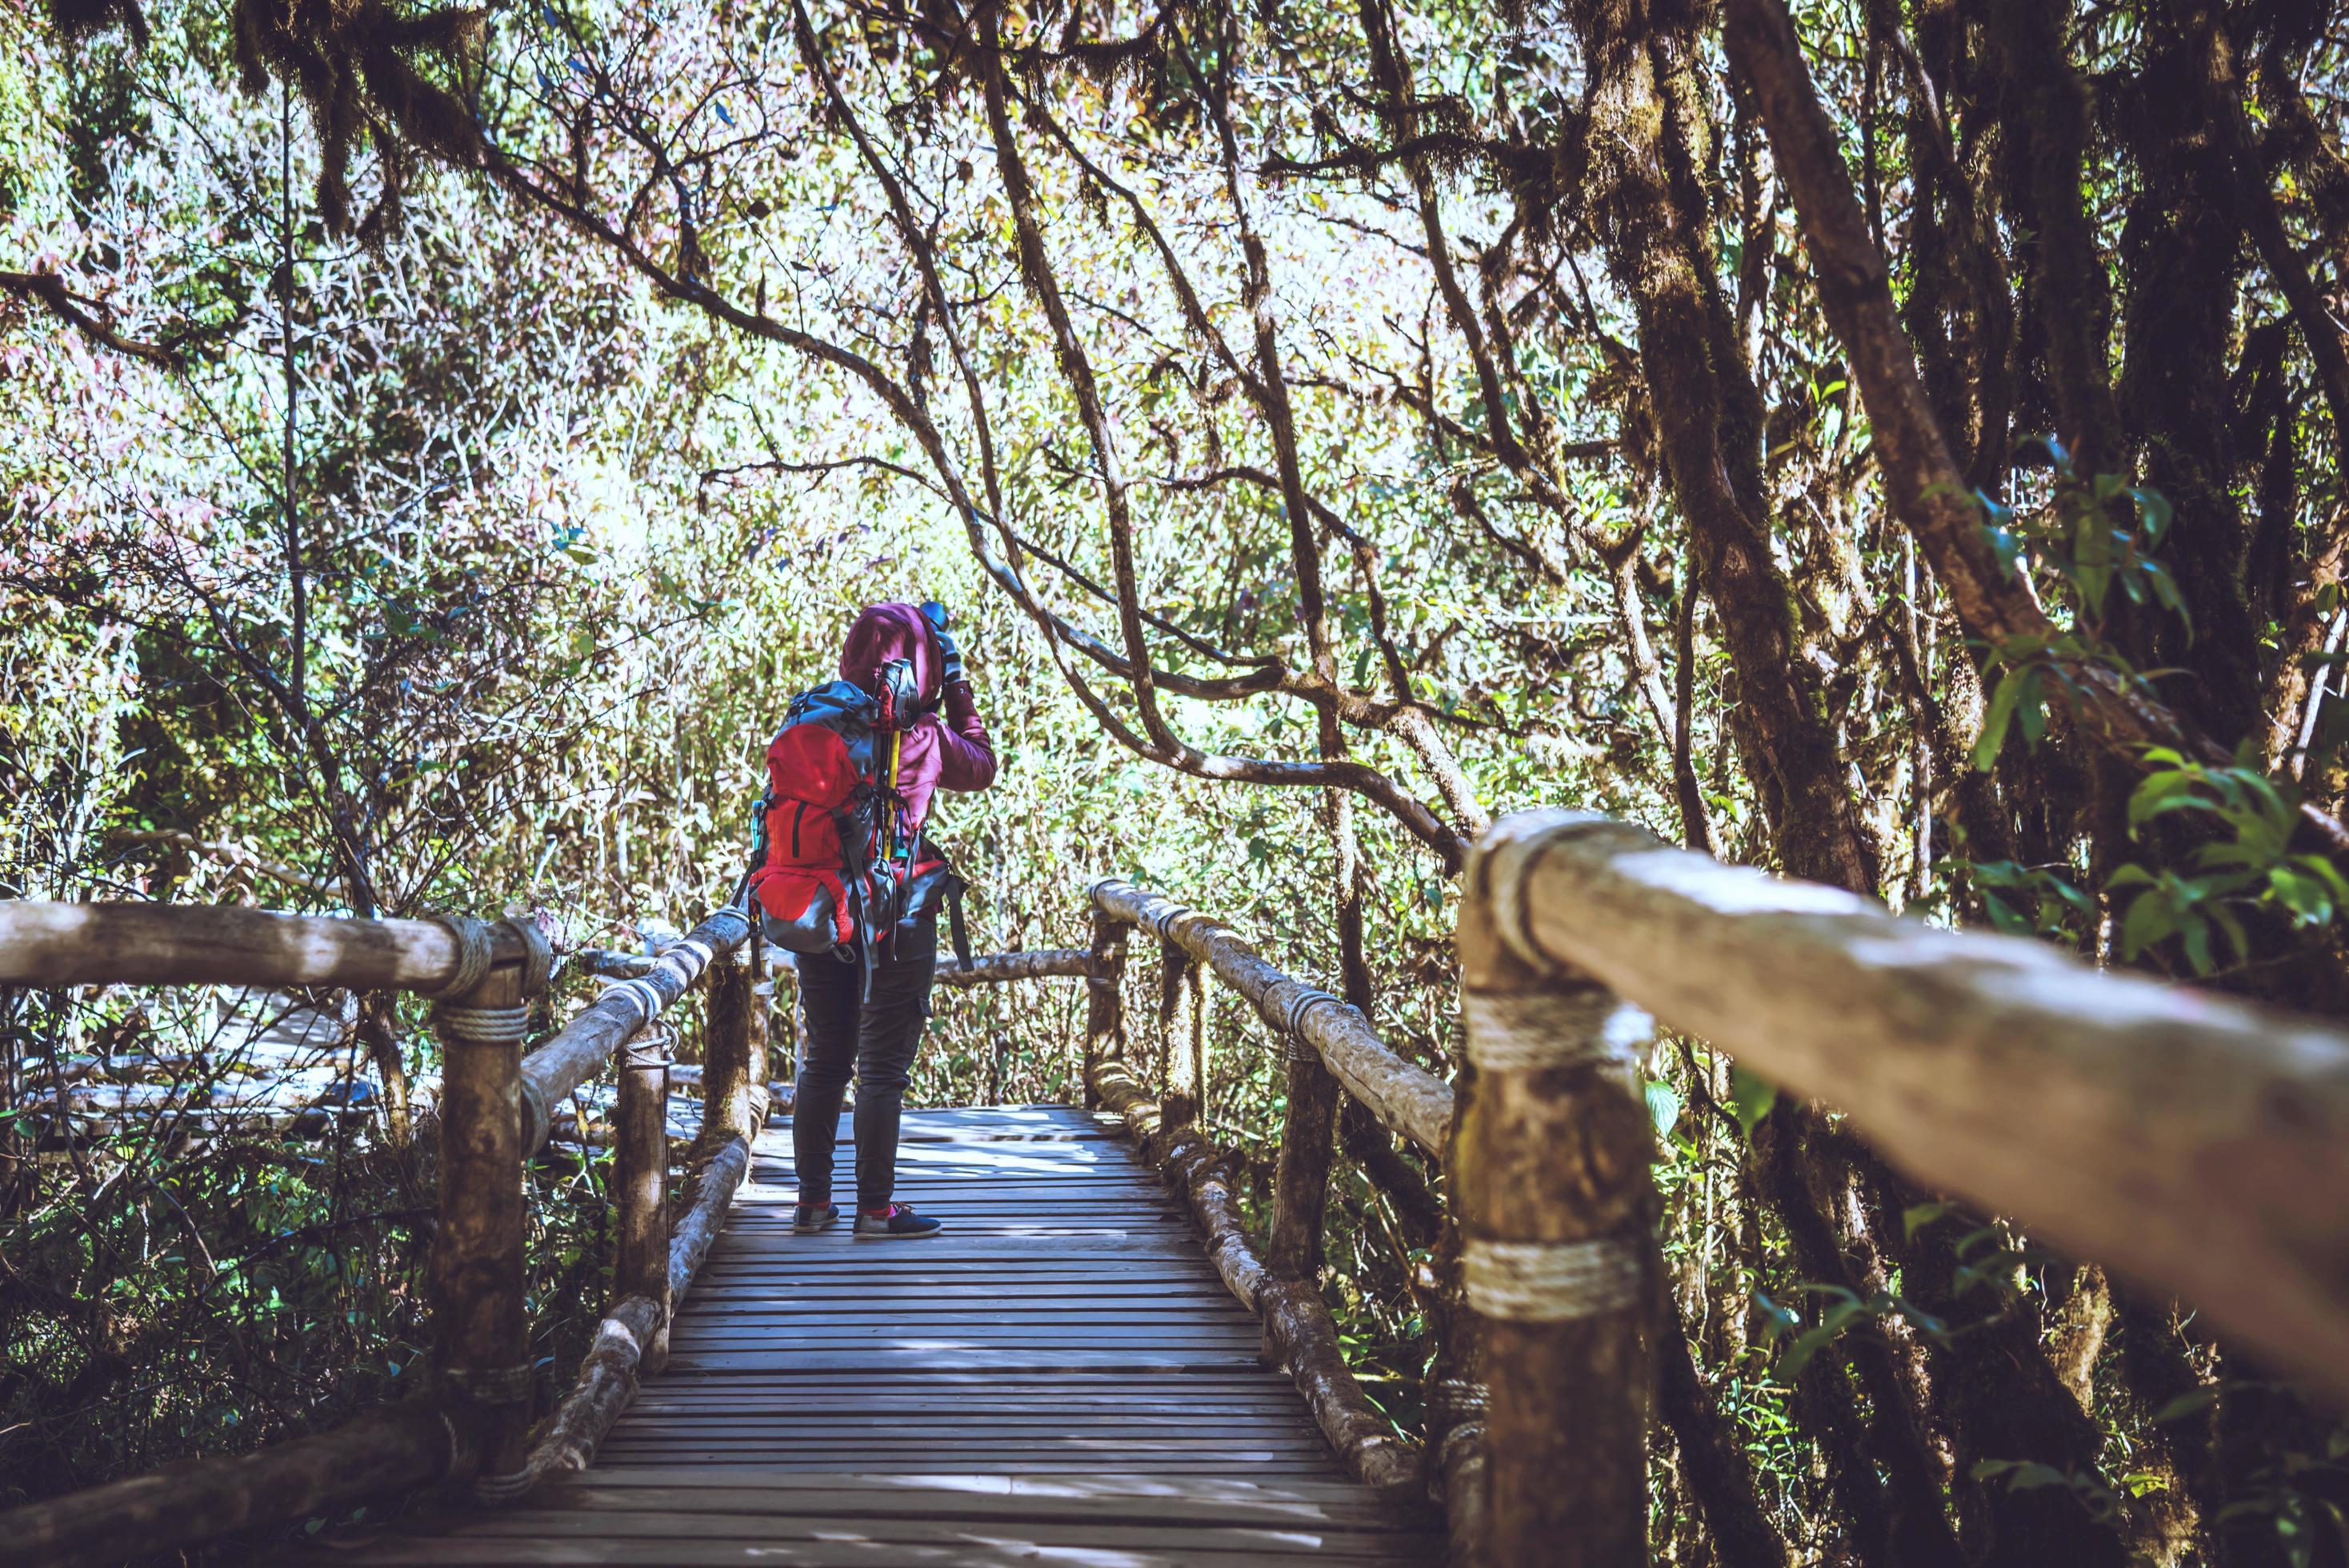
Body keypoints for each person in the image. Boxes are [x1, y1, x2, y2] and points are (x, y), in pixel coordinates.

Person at [786, 602, 994, 1238]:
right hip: (895, 911)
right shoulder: (923, 736)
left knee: (824, 1059)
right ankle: (876, 1209)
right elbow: (982, 765)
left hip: (820, 904)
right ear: (922, 664)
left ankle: (814, 1204)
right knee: (880, 1065)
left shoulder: (812, 715)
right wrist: (956, 684)